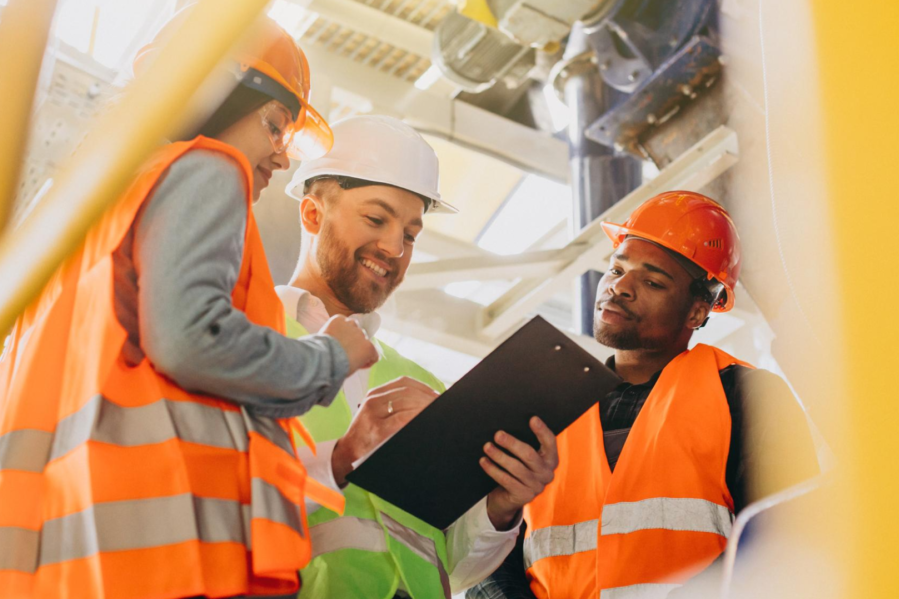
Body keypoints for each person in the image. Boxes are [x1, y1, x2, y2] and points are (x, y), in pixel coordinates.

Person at [0, 11, 378, 599]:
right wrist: (329, 358)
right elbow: (189, 337)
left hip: (71, 545)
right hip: (169, 545)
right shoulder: (206, 166)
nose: (282, 158)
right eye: (275, 126)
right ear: (218, 94)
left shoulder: (83, 216)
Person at [467, 191, 820, 599]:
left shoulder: (746, 395)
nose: (621, 288)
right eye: (617, 270)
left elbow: (791, 538)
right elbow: (485, 558)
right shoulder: (544, 404)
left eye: (652, 281)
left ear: (697, 312)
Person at [278, 115, 559, 599]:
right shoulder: (246, 340)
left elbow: (452, 563)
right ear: (311, 215)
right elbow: (215, 500)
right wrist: (339, 461)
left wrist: (501, 506)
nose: (394, 247)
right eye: (376, 218)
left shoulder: (418, 380)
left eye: (410, 234)